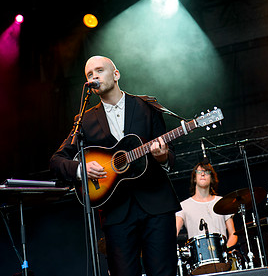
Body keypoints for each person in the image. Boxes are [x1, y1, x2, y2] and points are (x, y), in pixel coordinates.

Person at [50, 55, 181, 276]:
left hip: (156, 205)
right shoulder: (84, 120)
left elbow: (170, 156)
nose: (94, 77)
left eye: (99, 71)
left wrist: (162, 157)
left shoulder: (147, 105)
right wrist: (82, 169)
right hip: (116, 212)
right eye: (90, 75)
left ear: (116, 74)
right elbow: (57, 160)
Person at [176, 162, 238, 248]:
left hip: (222, 258)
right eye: (199, 172)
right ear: (194, 178)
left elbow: (233, 234)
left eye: (206, 172)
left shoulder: (221, 201)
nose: (202, 174)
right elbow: (173, 235)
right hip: (199, 258)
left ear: (211, 178)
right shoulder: (184, 206)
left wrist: (225, 252)